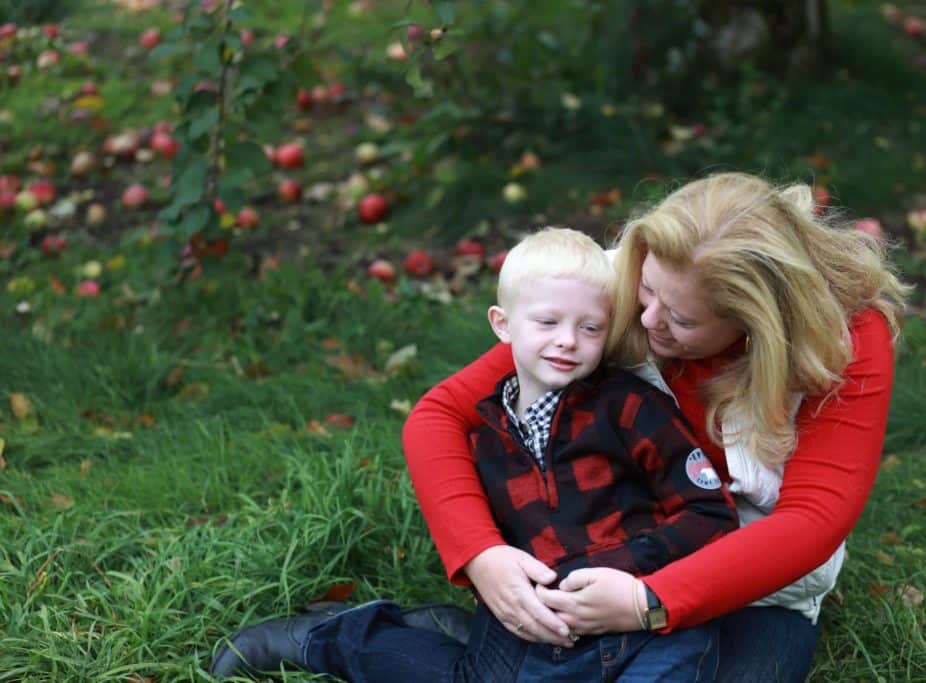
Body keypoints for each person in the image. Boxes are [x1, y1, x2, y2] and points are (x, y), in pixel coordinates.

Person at [400, 172, 911, 682]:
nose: (646, 320)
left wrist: (650, 601)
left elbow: (812, 520)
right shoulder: (609, 289)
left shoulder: (845, 337)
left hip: (759, 579)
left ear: (756, 323)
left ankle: (466, 644)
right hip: (619, 542)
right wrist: (481, 555)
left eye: (682, 321)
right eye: (646, 292)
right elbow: (440, 416)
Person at [210, 227, 738, 681]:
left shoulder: (629, 408)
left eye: (590, 327)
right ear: (502, 325)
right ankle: (324, 636)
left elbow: (711, 514)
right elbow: (495, 548)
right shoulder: (484, 432)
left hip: (645, 625)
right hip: (537, 626)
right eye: (547, 322)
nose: (568, 341)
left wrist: (627, 575)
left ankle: (447, 629)